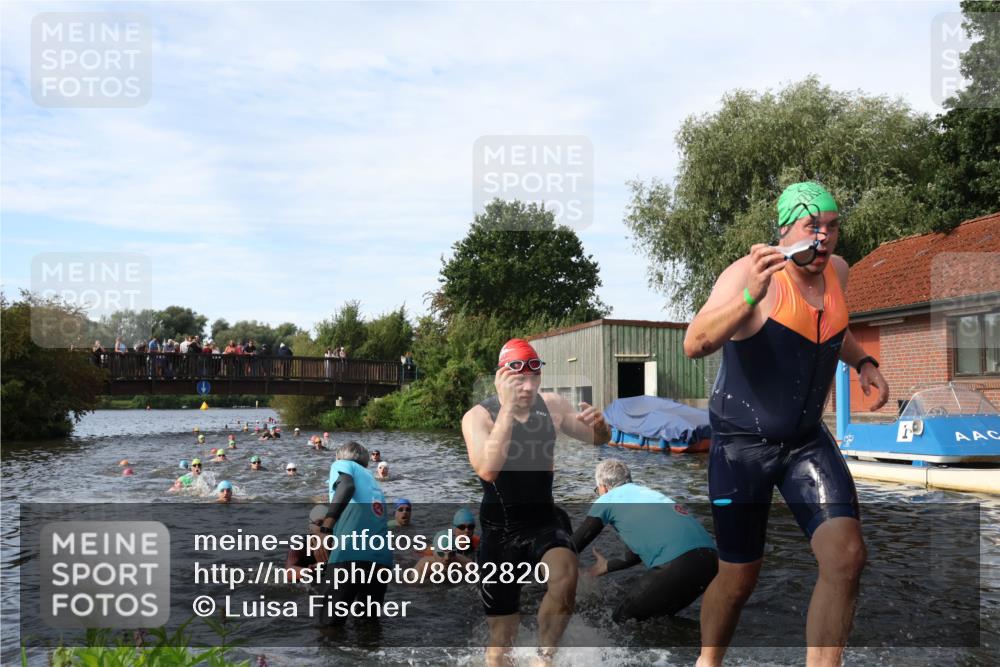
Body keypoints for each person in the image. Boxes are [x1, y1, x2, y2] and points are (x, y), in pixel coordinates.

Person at [683, 182, 889, 667]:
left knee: (846, 557)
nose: (823, 240)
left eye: (832, 227)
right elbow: (695, 342)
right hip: (741, 448)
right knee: (739, 578)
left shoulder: (837, 271)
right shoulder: (748, 275)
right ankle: (707, 662)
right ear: (784, 232)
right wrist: (751, 295)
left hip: (804, 443)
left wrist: (863, 364)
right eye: (810, 228)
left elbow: (834, 329)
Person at [462, 338, 611, 666]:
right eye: (518, 380)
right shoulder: (477, 417)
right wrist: (508, 411)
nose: (526, 387)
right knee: (502, 638)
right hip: (499, 531)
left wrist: (603, 429)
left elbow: (597, 439)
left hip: (543, 521)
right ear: (501, 378)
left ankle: (543, 658)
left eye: (533, 378)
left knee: (565, 572)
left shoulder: (553, 405)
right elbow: (488, 469)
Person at [572, 459, 718, 622]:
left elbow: (573, 545)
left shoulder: (607, 499)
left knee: (622, 620)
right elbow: (635, 555)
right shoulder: (649, 494)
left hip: (677, 562)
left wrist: (543, 568)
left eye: (596, 489)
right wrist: (606, 566)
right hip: (711, 561)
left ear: (604, 487)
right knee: (659, 619)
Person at [317, 441, 393, 625]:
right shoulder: (373, 482)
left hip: (350, 552)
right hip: (382, 558)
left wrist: (326, 528)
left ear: (339, 456)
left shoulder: (342, 464)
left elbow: (346, 487)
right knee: (368, 623)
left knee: (330, 623)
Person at [285, 505, 330, 583]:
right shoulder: (301, 545)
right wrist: (308, 571)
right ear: (310, 528)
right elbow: (289, 572)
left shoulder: (338, 542)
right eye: (320, 523)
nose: (325, 527)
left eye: (328, 523)